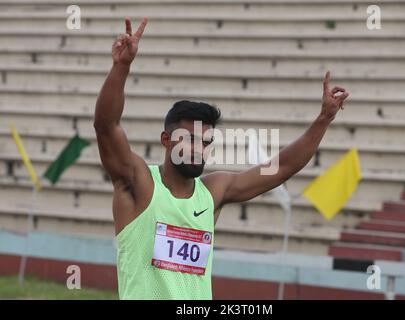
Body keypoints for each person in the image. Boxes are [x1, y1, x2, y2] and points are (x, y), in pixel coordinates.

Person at [94, 18, 349, 300]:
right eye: (188, 139)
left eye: (205, 142)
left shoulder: (213, 192)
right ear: (167, 141)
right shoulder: (138, 183)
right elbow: (107, 127)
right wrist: (122, 66)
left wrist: (324, 119)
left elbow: (282, 168)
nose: (197, 148)